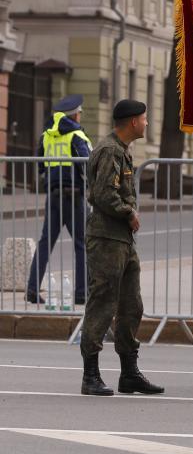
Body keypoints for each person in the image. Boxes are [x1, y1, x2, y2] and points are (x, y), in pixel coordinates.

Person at [78, 99, 162, 397]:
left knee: (131, 305)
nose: (147, 123)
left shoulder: (122, 149)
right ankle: (90, 375)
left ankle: (129, 373)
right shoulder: (111, 150)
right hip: (106, 239)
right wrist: (128, 212)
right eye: (144, 118)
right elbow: (102, 194)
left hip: (122, 240)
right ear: (131, 122)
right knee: (102, 303)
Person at [27, 94, 92, 306]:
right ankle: (82, 293)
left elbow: (40, 165)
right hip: (74, 197)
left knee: (45, 243)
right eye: (79, 113)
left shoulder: (47, 136)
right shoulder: (76, 136)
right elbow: (88, 165)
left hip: (53, 196)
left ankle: (32, 289)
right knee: (83, 244)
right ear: (75, 115)